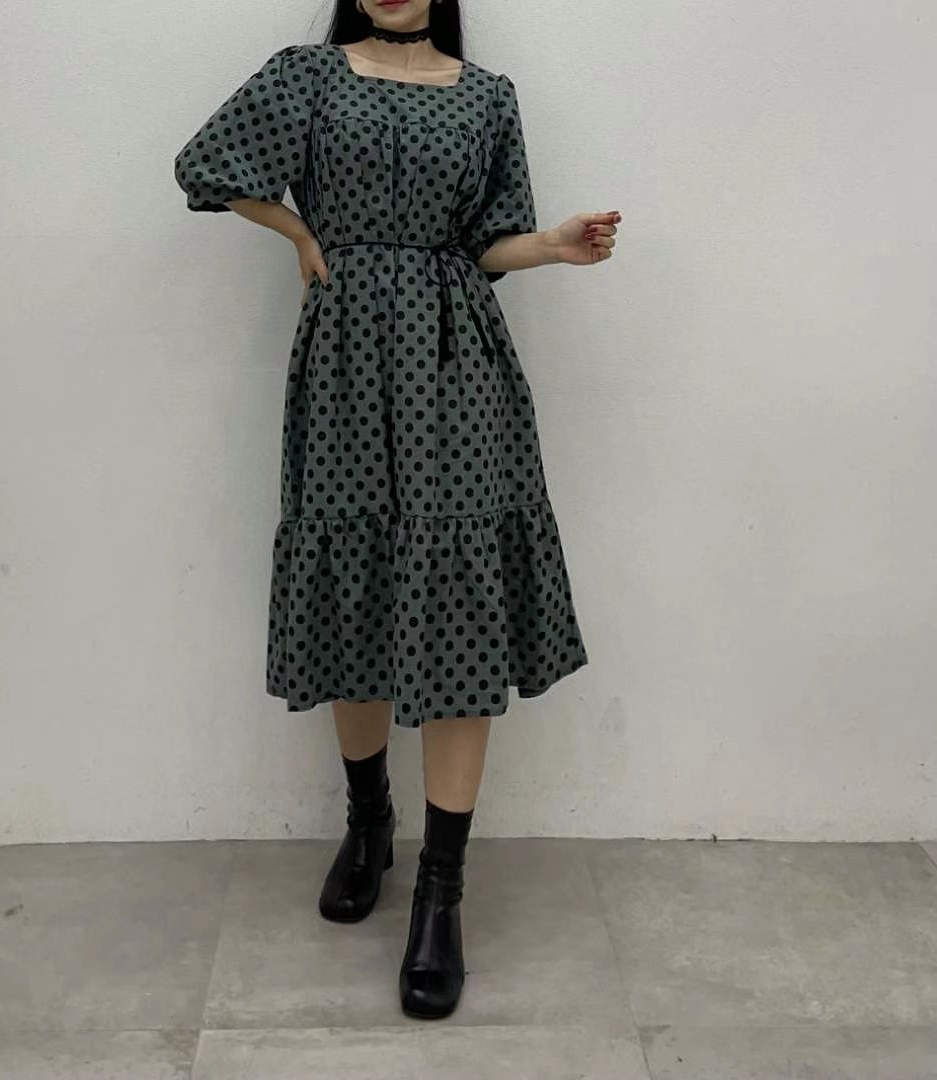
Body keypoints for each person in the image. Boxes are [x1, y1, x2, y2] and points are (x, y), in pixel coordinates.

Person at [174, 0, 620, 1020]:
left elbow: (489, 242)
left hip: (458, 363)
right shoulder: (306, 75)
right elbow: (205, 164)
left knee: (457, 599)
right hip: (344, 360)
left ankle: (440, 894)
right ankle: (368, 820)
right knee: (359, 587)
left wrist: (554, 245)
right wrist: (298, 229)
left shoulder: (489, 97)